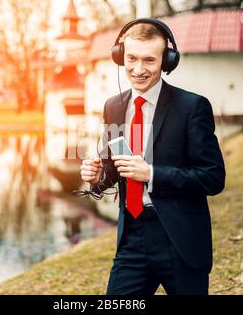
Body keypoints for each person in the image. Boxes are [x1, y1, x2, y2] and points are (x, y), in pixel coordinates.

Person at [80, 18, 226, 295]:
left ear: (167, 60)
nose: (138, 69)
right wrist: (98, 178)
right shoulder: (113, 107)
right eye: (132, 58)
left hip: (180, 240)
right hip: (132, 238)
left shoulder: (192, 107)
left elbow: (213, 178)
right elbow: (114, 169)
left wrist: (152, 174)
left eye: (149, 60)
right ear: (120, 56)